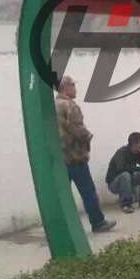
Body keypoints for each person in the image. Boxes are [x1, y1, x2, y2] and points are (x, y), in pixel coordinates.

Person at [55, 75, 116, 233]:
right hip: (75, 157)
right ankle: (98, 222)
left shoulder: (54, 105)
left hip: (60, 158)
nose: (75, 89)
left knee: (62, 196)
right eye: (73, 85)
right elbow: (77, 129)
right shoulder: (69, 106)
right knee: (88, 192)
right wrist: (88, 136)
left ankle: (62, 228)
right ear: (66, 87)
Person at [106, 132, 140, 213]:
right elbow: (121, 168)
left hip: (129, 179)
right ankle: (126, 204)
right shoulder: (122, 152)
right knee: (125, 175)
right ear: (134, 144)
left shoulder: (138, 153)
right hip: (114, 183)